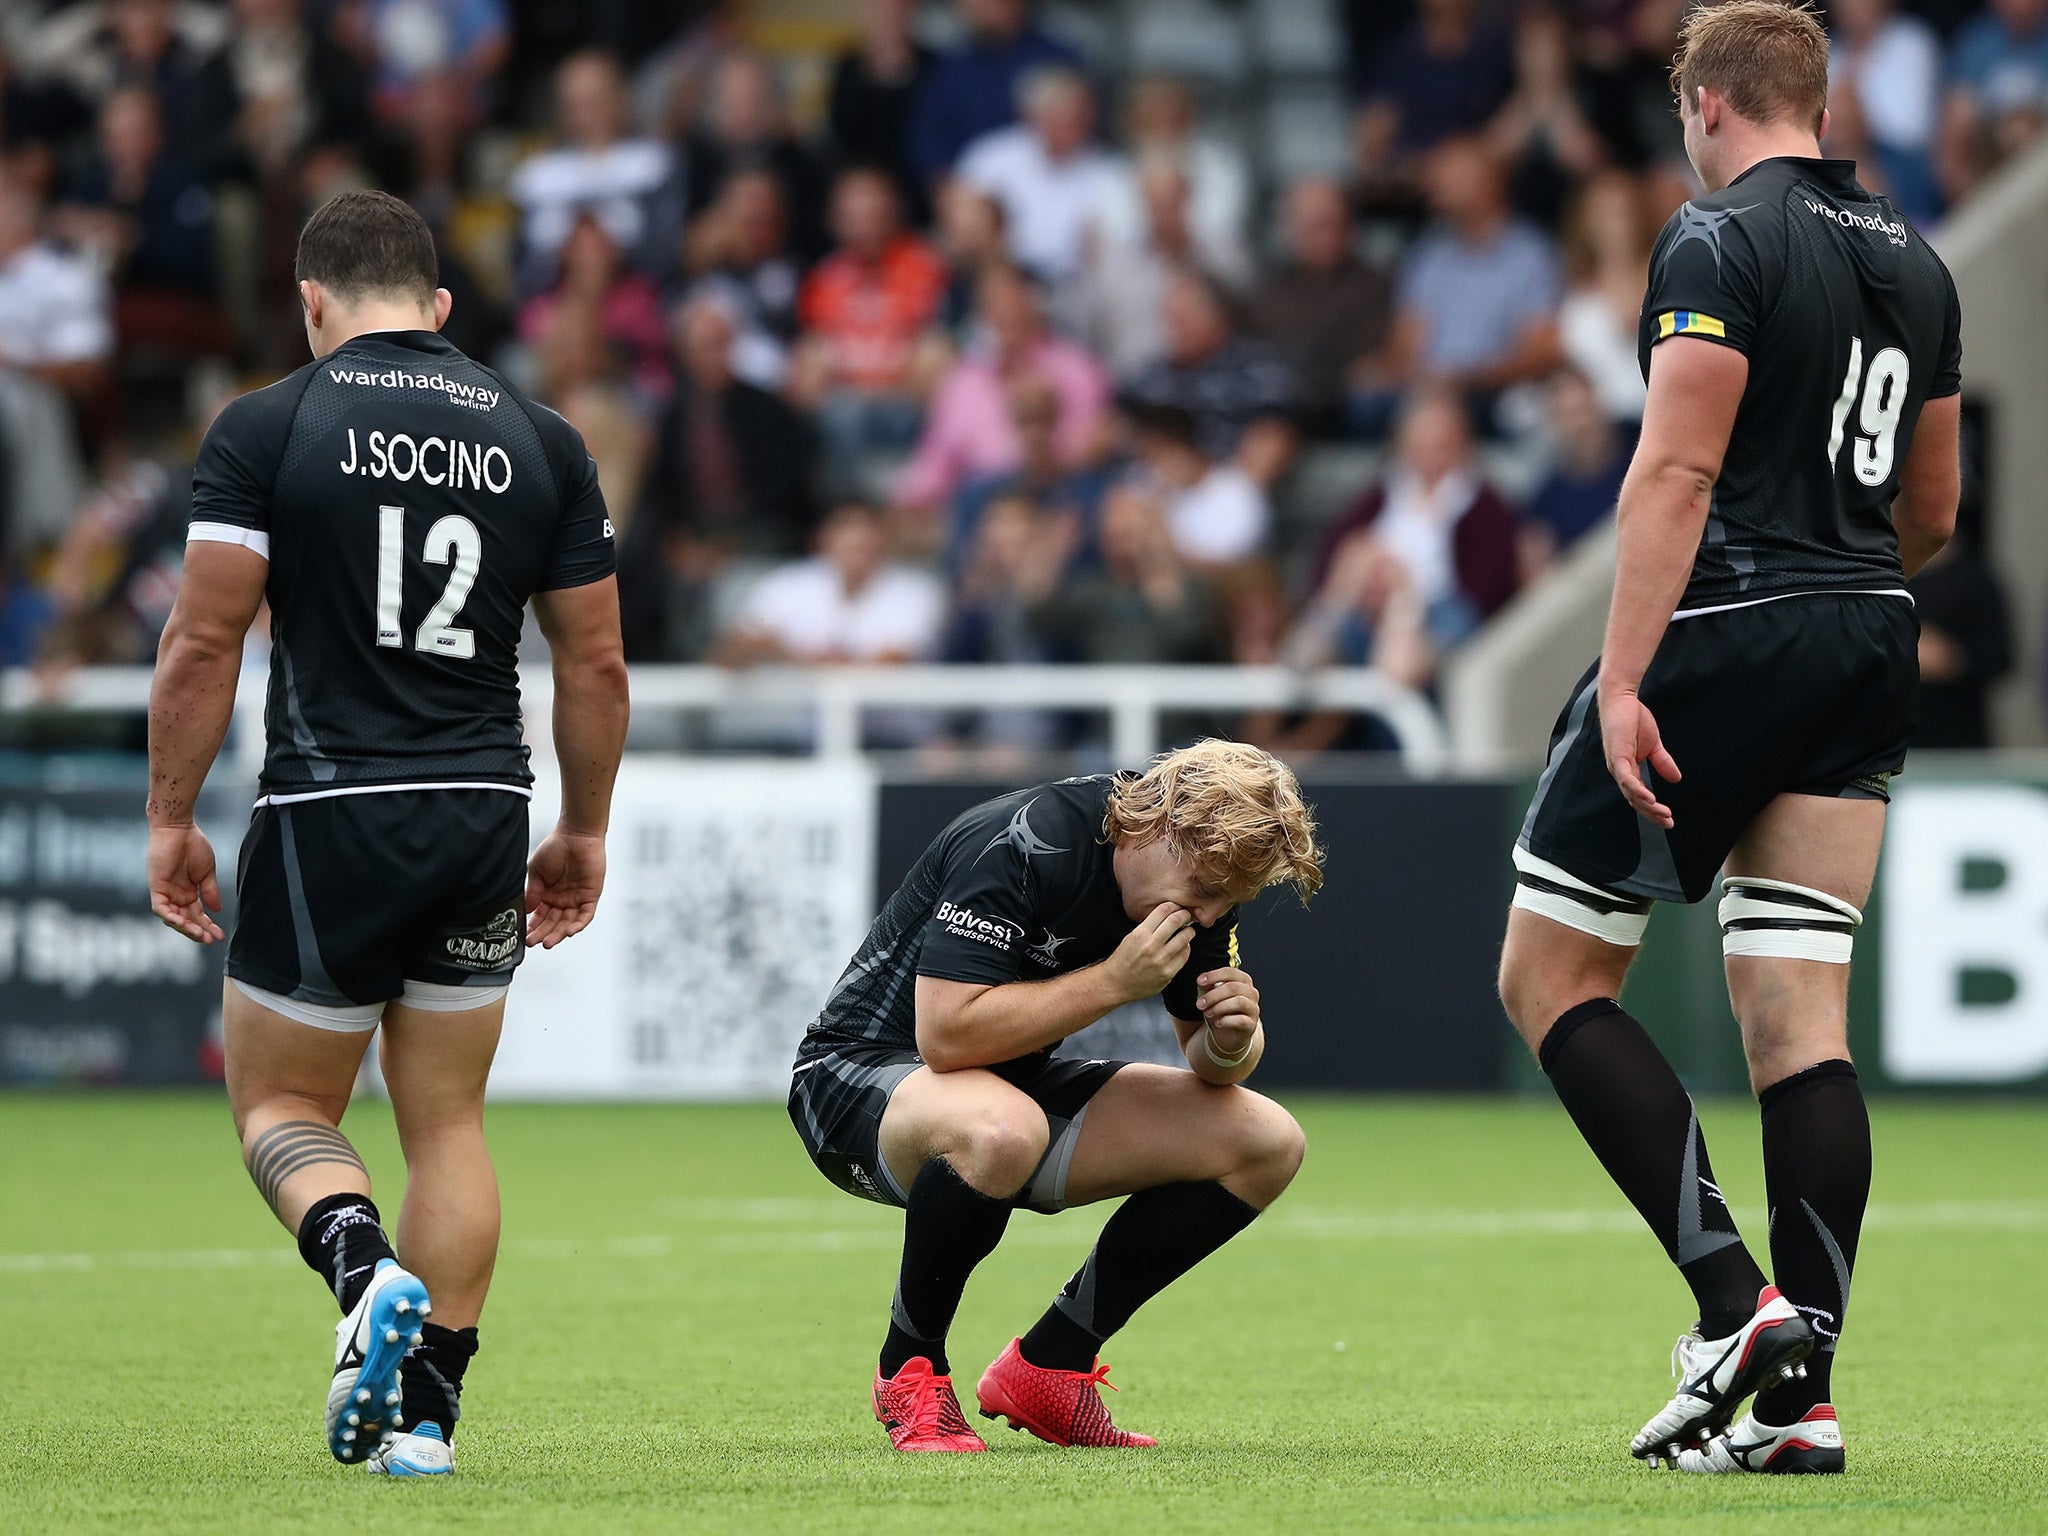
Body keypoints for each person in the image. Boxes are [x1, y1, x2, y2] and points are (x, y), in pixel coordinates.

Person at [1494, 2, 1962, 1476]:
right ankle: (1803, 1393)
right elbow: (1935, 515)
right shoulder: (1920, 261)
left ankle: (1731, 1307)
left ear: (1704, 104)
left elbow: (1679, 463)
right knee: (1799, 1023)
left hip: (1723, 631)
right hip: (1867, 631)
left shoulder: (1713, 239)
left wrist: (1628, 678)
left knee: (1552, 974)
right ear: (1818, 106)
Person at [144, 190, 628, 1477]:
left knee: (281, 1100)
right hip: (484, 807)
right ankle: (425, 1421)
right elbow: (596, 666)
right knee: (449, 1126)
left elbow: (201, 639)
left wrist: (170, 818)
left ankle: (361, 1274)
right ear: (442, 308)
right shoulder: (542, 437)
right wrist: (581, 830)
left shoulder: (269, 424)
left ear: (311, 302)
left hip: (329, 806)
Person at [787, 739, 1319, 1451]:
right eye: (1205, 892)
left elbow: (1213, 1063)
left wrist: (1231, 1039)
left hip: (1002, 1086)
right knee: (1004, 1131)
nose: (1210, 913)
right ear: (1156, 827)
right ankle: (908, 1367)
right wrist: (1111, 985)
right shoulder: (1022, 840)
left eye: (1231, 900)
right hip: (854, 1080)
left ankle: (1050, 1365)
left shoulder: (1199, 875)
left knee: (1266, 1143)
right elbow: (944, 1037)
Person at [955, 66, 1121, 286]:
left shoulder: (1109, 172)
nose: (1065, 128)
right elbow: (961, 225)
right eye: (1054, 117)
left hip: (1078, 286)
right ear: (1032, 116)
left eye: (1074, 119)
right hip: (999, 278)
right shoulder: (991, 157)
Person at [908, 0, 1082, 184]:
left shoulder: (1055, 59)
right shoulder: (948, 70)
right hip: (973, 193)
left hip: (1057, 185)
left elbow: (1078, 137)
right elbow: (932, 154)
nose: (977, 7)